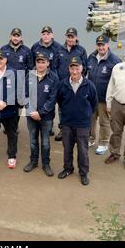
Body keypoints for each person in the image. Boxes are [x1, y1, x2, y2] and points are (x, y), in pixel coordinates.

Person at [56, 57, 97, 186]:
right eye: (72, 68)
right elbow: (60, 102)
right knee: (67, 148)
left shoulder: (89, 85)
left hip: (83, 124)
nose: (74, 71)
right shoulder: (63, 84)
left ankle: (83, 173)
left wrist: (84, 115)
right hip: (67, 123)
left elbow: (94, 103)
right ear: (69, 69)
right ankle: (68, 169)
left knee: (83, 150)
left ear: (82, 69)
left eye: (77, 68)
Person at [23, 53, 59, 177]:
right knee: (33, 141)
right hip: (31, 115)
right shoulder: (29, 76)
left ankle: (46, 164)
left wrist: (41, 112)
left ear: (48, 63)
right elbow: (24, 95)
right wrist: (31, 111)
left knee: (45, 142)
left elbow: (52, 99)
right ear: (36, 63)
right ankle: (33, 162)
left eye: (43, 62)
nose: (40, 64)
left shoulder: (53, 78)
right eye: (38, 62)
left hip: (46, 117)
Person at [87, 35, 122, 155]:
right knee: (90, 119)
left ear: (108, 45)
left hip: (104, 99)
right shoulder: (91, 57)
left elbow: (118, 82)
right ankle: (90, 139)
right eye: (99, 45)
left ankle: (103, 143)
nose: (101, 47)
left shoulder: (115, 61)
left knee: (104, 122)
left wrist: (112, 100)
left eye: (103, 45)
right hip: (91, 97)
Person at [54, 27, 88, 142]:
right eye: (68, 36)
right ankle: (63, 130)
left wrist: (78, 80)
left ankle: (75, 130)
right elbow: (54, 67)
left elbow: (85, 68)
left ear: (76, 38)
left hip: (76, 85)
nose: (70, 39)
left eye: (72, 37)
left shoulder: (81, 51)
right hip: (63, 86)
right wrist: (58, 82)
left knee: (75, 108)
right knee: (62, 109)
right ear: (66, 37)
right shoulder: (59, 50)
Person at [31, 26, 63, 136]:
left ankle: (50, 126)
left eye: (48, 34)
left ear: (52, 35)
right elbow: (32, 64)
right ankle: (37, 122)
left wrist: (57, 77)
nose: (46, 36)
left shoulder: (58, 47)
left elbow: (60, 64)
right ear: (41, 35)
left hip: (53, 79)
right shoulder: (35, 47)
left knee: (52, 103)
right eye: (44, 34)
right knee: (40, 100)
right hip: (39, 77)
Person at [0, 28, 34, 134]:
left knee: (18, 106)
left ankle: (15, 125)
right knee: (7, 103)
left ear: (21, 37)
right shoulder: (3, 49)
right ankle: (7, 125)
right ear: (10, 36)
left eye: (18, 36)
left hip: (21, 83)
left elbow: (30, 68)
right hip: (7, 83)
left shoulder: (27, 51)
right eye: (14, 36)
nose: (15, 38)